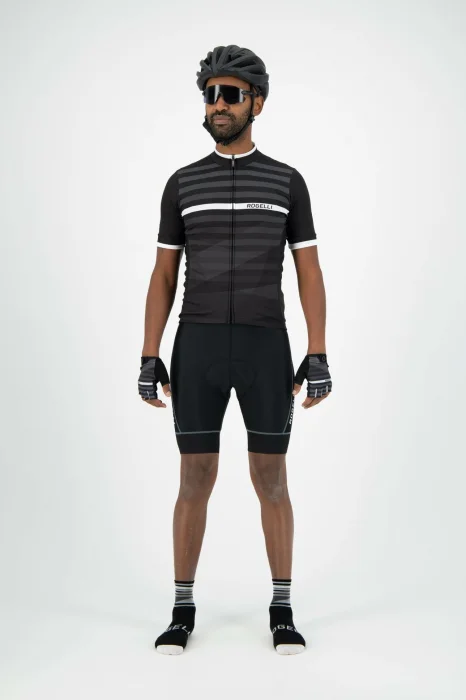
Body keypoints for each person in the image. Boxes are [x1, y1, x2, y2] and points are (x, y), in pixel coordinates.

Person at [138, 45, 332, 656]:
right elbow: (163, 274)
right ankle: (181, 609)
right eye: (210, 94)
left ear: (257, 104)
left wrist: (318, 351)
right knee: (194, 477)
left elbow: (308, 271)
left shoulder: (287, 181)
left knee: (270, 478)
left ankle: (282, 608)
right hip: (196, 344)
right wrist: (148, 354)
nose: (217, 104)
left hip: (264, 344)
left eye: (230, 94)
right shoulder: (182, 183)